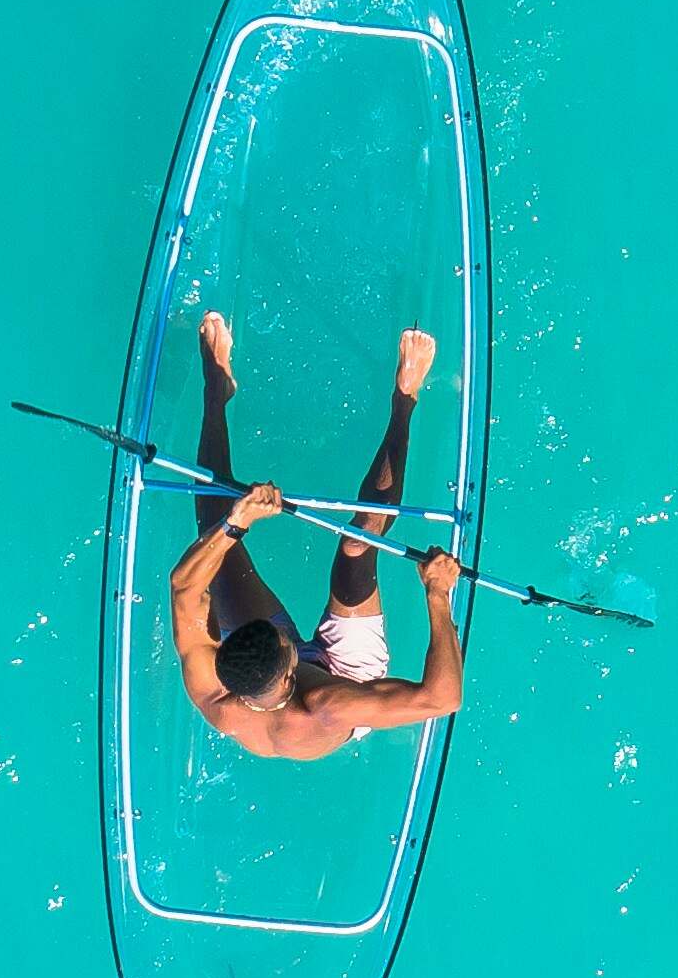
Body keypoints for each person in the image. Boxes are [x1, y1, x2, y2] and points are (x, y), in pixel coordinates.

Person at [165, 311, 466, 760]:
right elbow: (442, 699)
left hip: (270, 678)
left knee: (214, 534)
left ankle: (216, 393)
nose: (293, 638)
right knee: (356, 548)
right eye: (288, 642)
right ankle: (405, 400)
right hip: (347, 674)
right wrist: (438, 594)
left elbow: (183, 586)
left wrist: (236, 521)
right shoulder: (331, 704)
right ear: (290, 672)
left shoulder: (214, 691)